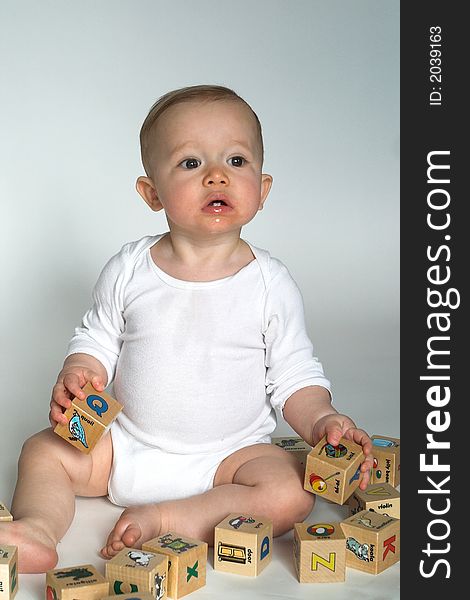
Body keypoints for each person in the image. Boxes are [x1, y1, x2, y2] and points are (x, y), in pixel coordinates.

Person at [0, 85, 373, 574]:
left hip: (230, 462)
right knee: (43, 450)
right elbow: (96, 339)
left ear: (262, 189)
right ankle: (37, 529)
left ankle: (170, 518)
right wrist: (78, 372)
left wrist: (324, 420)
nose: (217, 174)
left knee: (290, 492)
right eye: (191, 163)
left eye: (236, 160)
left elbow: (294, 376)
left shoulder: (269, 283)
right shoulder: (129, 268)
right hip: (125, 448)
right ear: (152, 193)